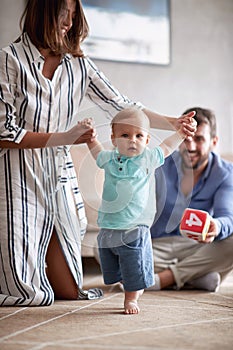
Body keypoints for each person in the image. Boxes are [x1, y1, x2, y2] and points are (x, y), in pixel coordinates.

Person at [0, 0, 196, 307]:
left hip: (58, 175)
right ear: (42, 11)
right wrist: (67, 137)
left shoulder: (80, 65)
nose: (68, 21)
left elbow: (124, 106)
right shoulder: (9, 60)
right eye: (62, 13)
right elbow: (4, 133)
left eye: (73, 14)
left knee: (67, 290)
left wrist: (174, 122)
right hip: (16, 174)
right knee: (24, 292)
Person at [87, 107, 195, 314]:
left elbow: (166, 146)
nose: (132, 140)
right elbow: (97, 154)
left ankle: (131, 298)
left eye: (139, 136)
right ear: (114, 139)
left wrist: (181, 133)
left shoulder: (147, 159)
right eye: (125, 135)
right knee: (111, 268)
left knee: (133, 263)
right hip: (108, 226)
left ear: (146, 140)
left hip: (135, 226)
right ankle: (132, 281)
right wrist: (90, 139)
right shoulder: (110, 159)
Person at [150, 107, 233, 293]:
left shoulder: (225, 173)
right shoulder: (160, 164)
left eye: (199, 139)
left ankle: (165, 278)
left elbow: (227, 216)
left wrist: (216, 226)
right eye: (186, 138)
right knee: (105, 245)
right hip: (158, 246)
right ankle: (196, 277)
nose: (191, 146)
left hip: (197, 247)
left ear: (214, 142)